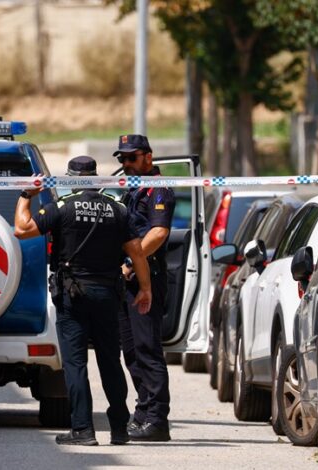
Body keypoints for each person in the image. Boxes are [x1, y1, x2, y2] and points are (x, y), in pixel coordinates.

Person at [14, 156, 153, 446]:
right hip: (107, 294)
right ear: (95, 176)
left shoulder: (62, 208)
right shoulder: (118, 209)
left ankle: (83, 430)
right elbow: (138, 252)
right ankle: (118, 429)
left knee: (76, 364)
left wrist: (26, 195)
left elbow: (22, 229)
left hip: (73, 295)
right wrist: (145, 289)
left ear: (71, 177)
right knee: (110, 363)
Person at [114, 134, 175, 442]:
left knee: (148, 350)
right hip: (127, 279)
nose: (125, 164)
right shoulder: (131, 189)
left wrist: (129, 262)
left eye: (131, 158)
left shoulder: (158, 189)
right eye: (121, 159)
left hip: (145, 277)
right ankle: (143, 411)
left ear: (148, 157)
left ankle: (157, 419)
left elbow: (159, 232)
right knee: (131, 351)